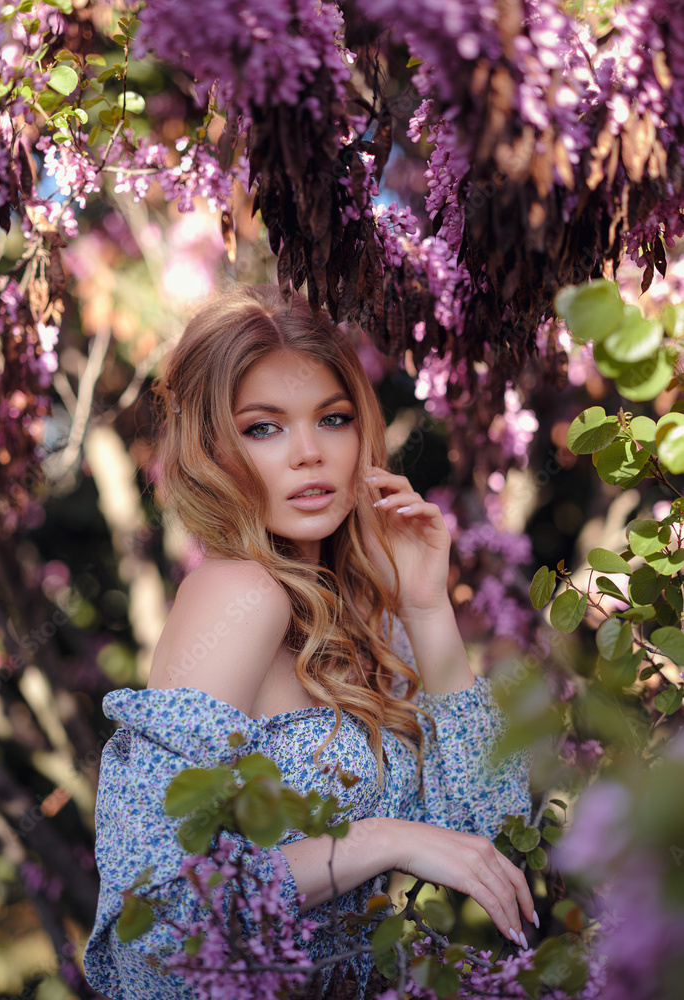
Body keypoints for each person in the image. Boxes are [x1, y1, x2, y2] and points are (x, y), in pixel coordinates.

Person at [83, 284, 535, 999]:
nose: (309, 454)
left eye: (333, 419)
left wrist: (425, 606)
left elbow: (495, 834)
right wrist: (383, 839)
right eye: (264, 428)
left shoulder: (363, 616)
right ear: (211, 450)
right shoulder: (240, 595)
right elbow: (162, 919)